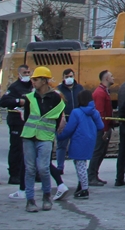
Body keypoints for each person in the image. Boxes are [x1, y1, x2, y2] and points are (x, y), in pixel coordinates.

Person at [16, 66, 65, 212]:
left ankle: (46, 196)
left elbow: (57, 120)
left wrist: (49, 132)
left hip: (45, 137)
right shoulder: (30, 97)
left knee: (43, 168)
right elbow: (26, 117)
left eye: (36, 79)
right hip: (29, 136)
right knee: (30, 169)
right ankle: (30, 200)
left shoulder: (56, 98)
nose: (33, 82)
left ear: (44, 80)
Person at [56, 90, 103, 200]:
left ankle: (84, 189)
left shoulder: (76, 112)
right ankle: (81, 185)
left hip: (78, 140)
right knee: (82, 164)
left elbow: (69, 129)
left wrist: (60, 136)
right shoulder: (94, 112)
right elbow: (100, 126)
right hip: (90, 140)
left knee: (80, 165)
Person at [0, 64, 33, 194]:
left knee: (30, 149)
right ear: (19, 74)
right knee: (16, 148)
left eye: (29, 72)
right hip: (16, 122)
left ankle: (31, 173)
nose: (27, 74)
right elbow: (3, 101)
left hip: (29, 122)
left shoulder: (32, 86)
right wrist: (19, 101)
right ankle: (14, 174)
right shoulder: (15, 87)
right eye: (24, 72)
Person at [50, 68, 82, 200]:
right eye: (67, 76)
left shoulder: (79, 88)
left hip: (76, 121)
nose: (69, 78)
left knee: (75, 146)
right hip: (63, 121)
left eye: (71, 76)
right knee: (61, 146)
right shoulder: (58, 90)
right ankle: (60, 167)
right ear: (63, 77)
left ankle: (78, 168)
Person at [89, 70, 115, 186]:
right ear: (106, 79)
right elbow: (100, 113)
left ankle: (94, 174)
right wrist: (104, 129)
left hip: (105, 126)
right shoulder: (100, 93)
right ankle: (91, 176)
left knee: (102, 151)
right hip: (101, 128)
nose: (113, 78)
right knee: (98, 151)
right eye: (111, 76)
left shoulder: (104, 92)